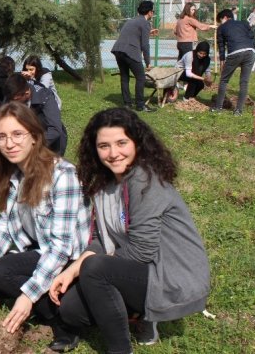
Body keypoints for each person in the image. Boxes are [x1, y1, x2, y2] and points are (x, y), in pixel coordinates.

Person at [48, 107, 210, 354]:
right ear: (94, 148)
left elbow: (142, 251)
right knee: (70, 310)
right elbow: (100, 239)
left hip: (172, 276)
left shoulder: (145, 180)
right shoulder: (103, 184)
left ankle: (121, 348)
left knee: (96, 269)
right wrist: (72, 270)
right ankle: (138, 313)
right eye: (104, 146)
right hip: (141, 268)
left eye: (121, 142)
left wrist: (88, 267)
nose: (113, 153)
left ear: (137, 142)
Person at [0, 102, 89, 347]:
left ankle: (64, 323)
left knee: (3, 272)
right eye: (2, 137)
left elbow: (61, 248)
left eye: (17, 134)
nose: (9, 144)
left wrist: (27, 295)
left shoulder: (63, 175)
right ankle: (47, 300)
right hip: (39, 249)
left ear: (34, 136)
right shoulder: (14, 175)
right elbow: (3, 228)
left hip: (68, 261)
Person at [3, 73, 67, 156]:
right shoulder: (11, 96)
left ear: (26, 93)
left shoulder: (45, 95)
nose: (12, 103)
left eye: (16, 100)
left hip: (50, 143)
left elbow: (55, 129)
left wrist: (32, 144)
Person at [111, 0, 157, 112]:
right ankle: (140, 105)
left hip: (118, 50)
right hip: (130, 51)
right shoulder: (146, 23)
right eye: (153, 11)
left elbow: (132, 34)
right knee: (140, 77)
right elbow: (145, 45)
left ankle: (127, 104)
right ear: (150, 12)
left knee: (125, 77)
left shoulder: (131, 21)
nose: (153, 13)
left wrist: (148, 33)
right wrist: (148, 62)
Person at [211, 8, 255, 115]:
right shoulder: (243, 23)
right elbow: (251, 36)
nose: (220, 23)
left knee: (224, 80)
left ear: (225, 18)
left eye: (220, 20)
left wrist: (222, 61)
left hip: (235, 52)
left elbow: (221, 46)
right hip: (250, 52)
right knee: (244, 82)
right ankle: (238, 111)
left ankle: (218, 108)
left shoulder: (221, 28)